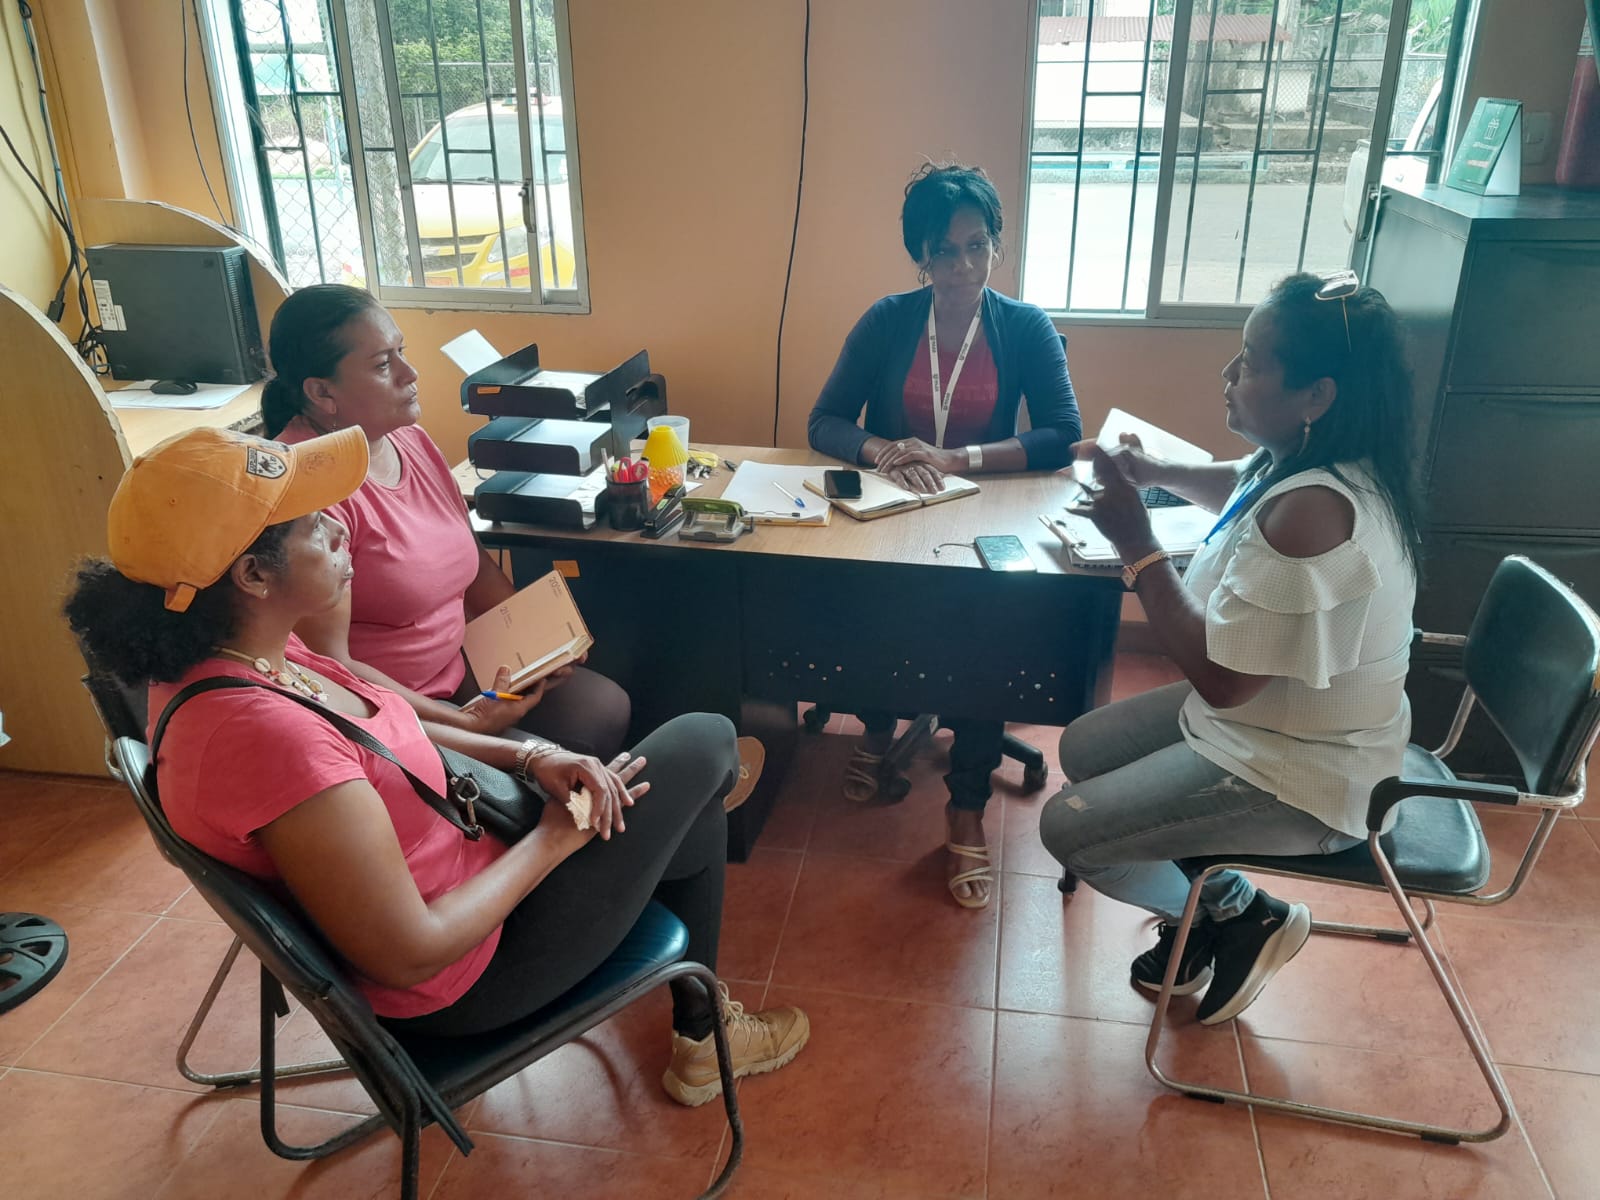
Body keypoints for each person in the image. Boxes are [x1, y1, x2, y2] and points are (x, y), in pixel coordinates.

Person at [64, 426, 809, 1104]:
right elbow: (411, 954)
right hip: (469, 976)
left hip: (475, 862)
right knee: (705, 743)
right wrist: (555, 838)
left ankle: (702, 1020)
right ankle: (704, 1029)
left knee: (685, 799)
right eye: (314, 526)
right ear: (253, 576)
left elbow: (386, 724)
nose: (339, 528)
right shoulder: (265, 739)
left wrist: (532, 753)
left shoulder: (245, 652)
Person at [1039, 270, 1422, 1025]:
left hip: (1303, 773)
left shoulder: (1316, 511)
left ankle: (1238, 914)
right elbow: (1238, 485)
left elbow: (1220, 679)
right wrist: (1152, 472)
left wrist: (1138, 546)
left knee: (1069, 829)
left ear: (1316, 395)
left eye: (1248, 363)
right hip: (1263, 725)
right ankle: (1222, 910)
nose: (1227, 373)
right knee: (1084, 747)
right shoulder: (1312, 458)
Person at [807, 162, 1082, 909]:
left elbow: (1063, 433)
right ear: (920, 257)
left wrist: (960, 458)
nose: (962, 266)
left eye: (976, 246)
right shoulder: (888, 320)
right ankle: (876, 728)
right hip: (892, 510)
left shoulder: (1024, 326)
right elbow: (825, 420)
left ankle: (965, 804)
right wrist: (884, 450)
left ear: (997, 245)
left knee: (985, 639)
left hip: (981, 513)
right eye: (943, 251)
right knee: (864, 607)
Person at [260, 284, 631, 759]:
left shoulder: (409, 440)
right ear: (321, 392)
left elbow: (474, 565)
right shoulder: (307, 489)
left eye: (401, 352)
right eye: (383, 365)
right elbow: (330, 667)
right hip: (392, 710)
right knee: (560, 760)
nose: (410, 373)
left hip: (463, 668)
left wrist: (545, 646)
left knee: (604, 706)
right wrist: (465, 722)